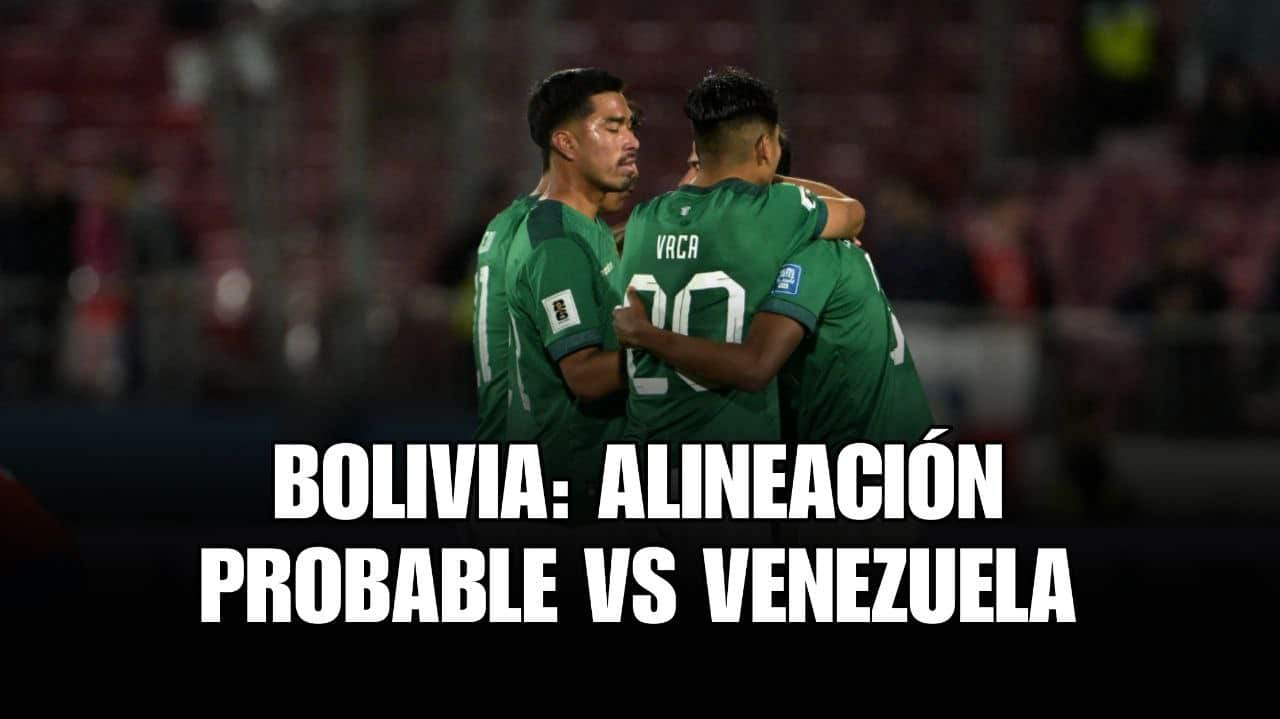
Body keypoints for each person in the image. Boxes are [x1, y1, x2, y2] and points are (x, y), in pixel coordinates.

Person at [614, 136, 932, 445]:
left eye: (702, 168)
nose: (688, 182)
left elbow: (755, 365)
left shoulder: (811, 251)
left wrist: (646, 335)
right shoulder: (775, 239)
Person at [613, 67, 865, 444]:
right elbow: (853, 212)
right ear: (765, 146)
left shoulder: (643, 219)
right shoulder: (775, 211)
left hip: (642, 456)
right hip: (729, 456)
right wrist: (770, 179)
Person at [503, 68, 639, 510]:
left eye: (630, 126)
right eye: (613, 128)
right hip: (567, 496)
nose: (632, 141)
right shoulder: (556, 245)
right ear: (566, 143)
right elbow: (586, 376)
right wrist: (681, 355)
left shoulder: (588, 225)